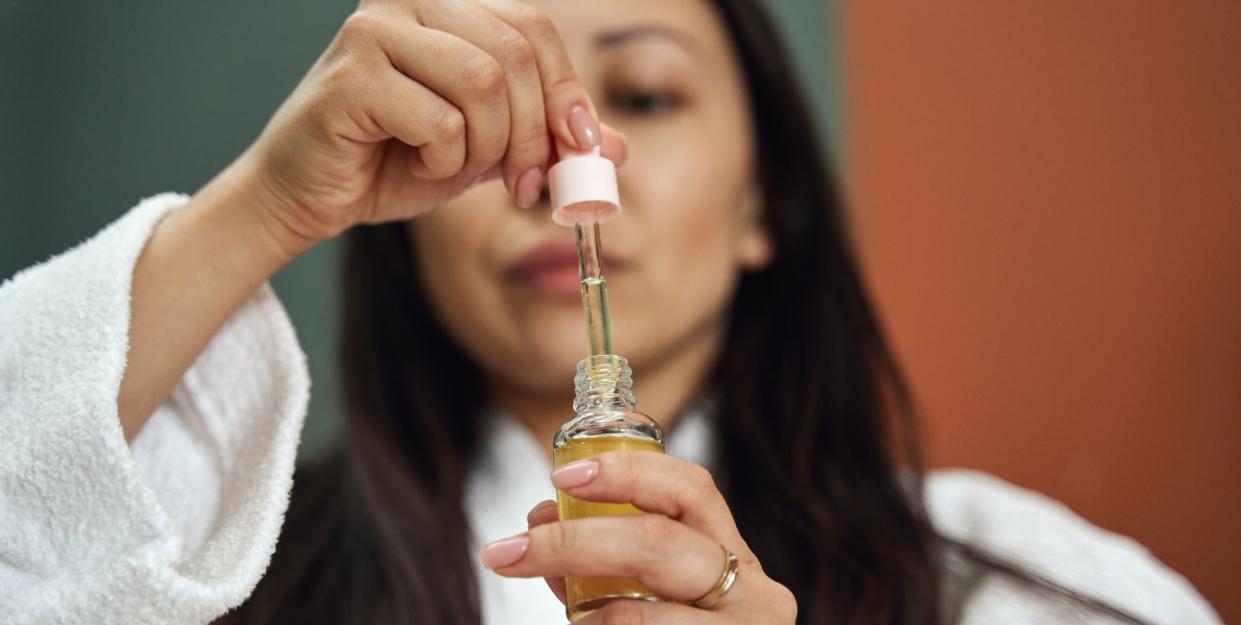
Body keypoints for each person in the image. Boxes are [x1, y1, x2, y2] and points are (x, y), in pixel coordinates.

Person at [0, 1, 1220, 624]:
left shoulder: (1018, 589)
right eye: (476, 123)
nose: (554, 172)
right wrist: (258, 205)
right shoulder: (221, 574)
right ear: (404, 217)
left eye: (643, 89)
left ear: (765, 202)